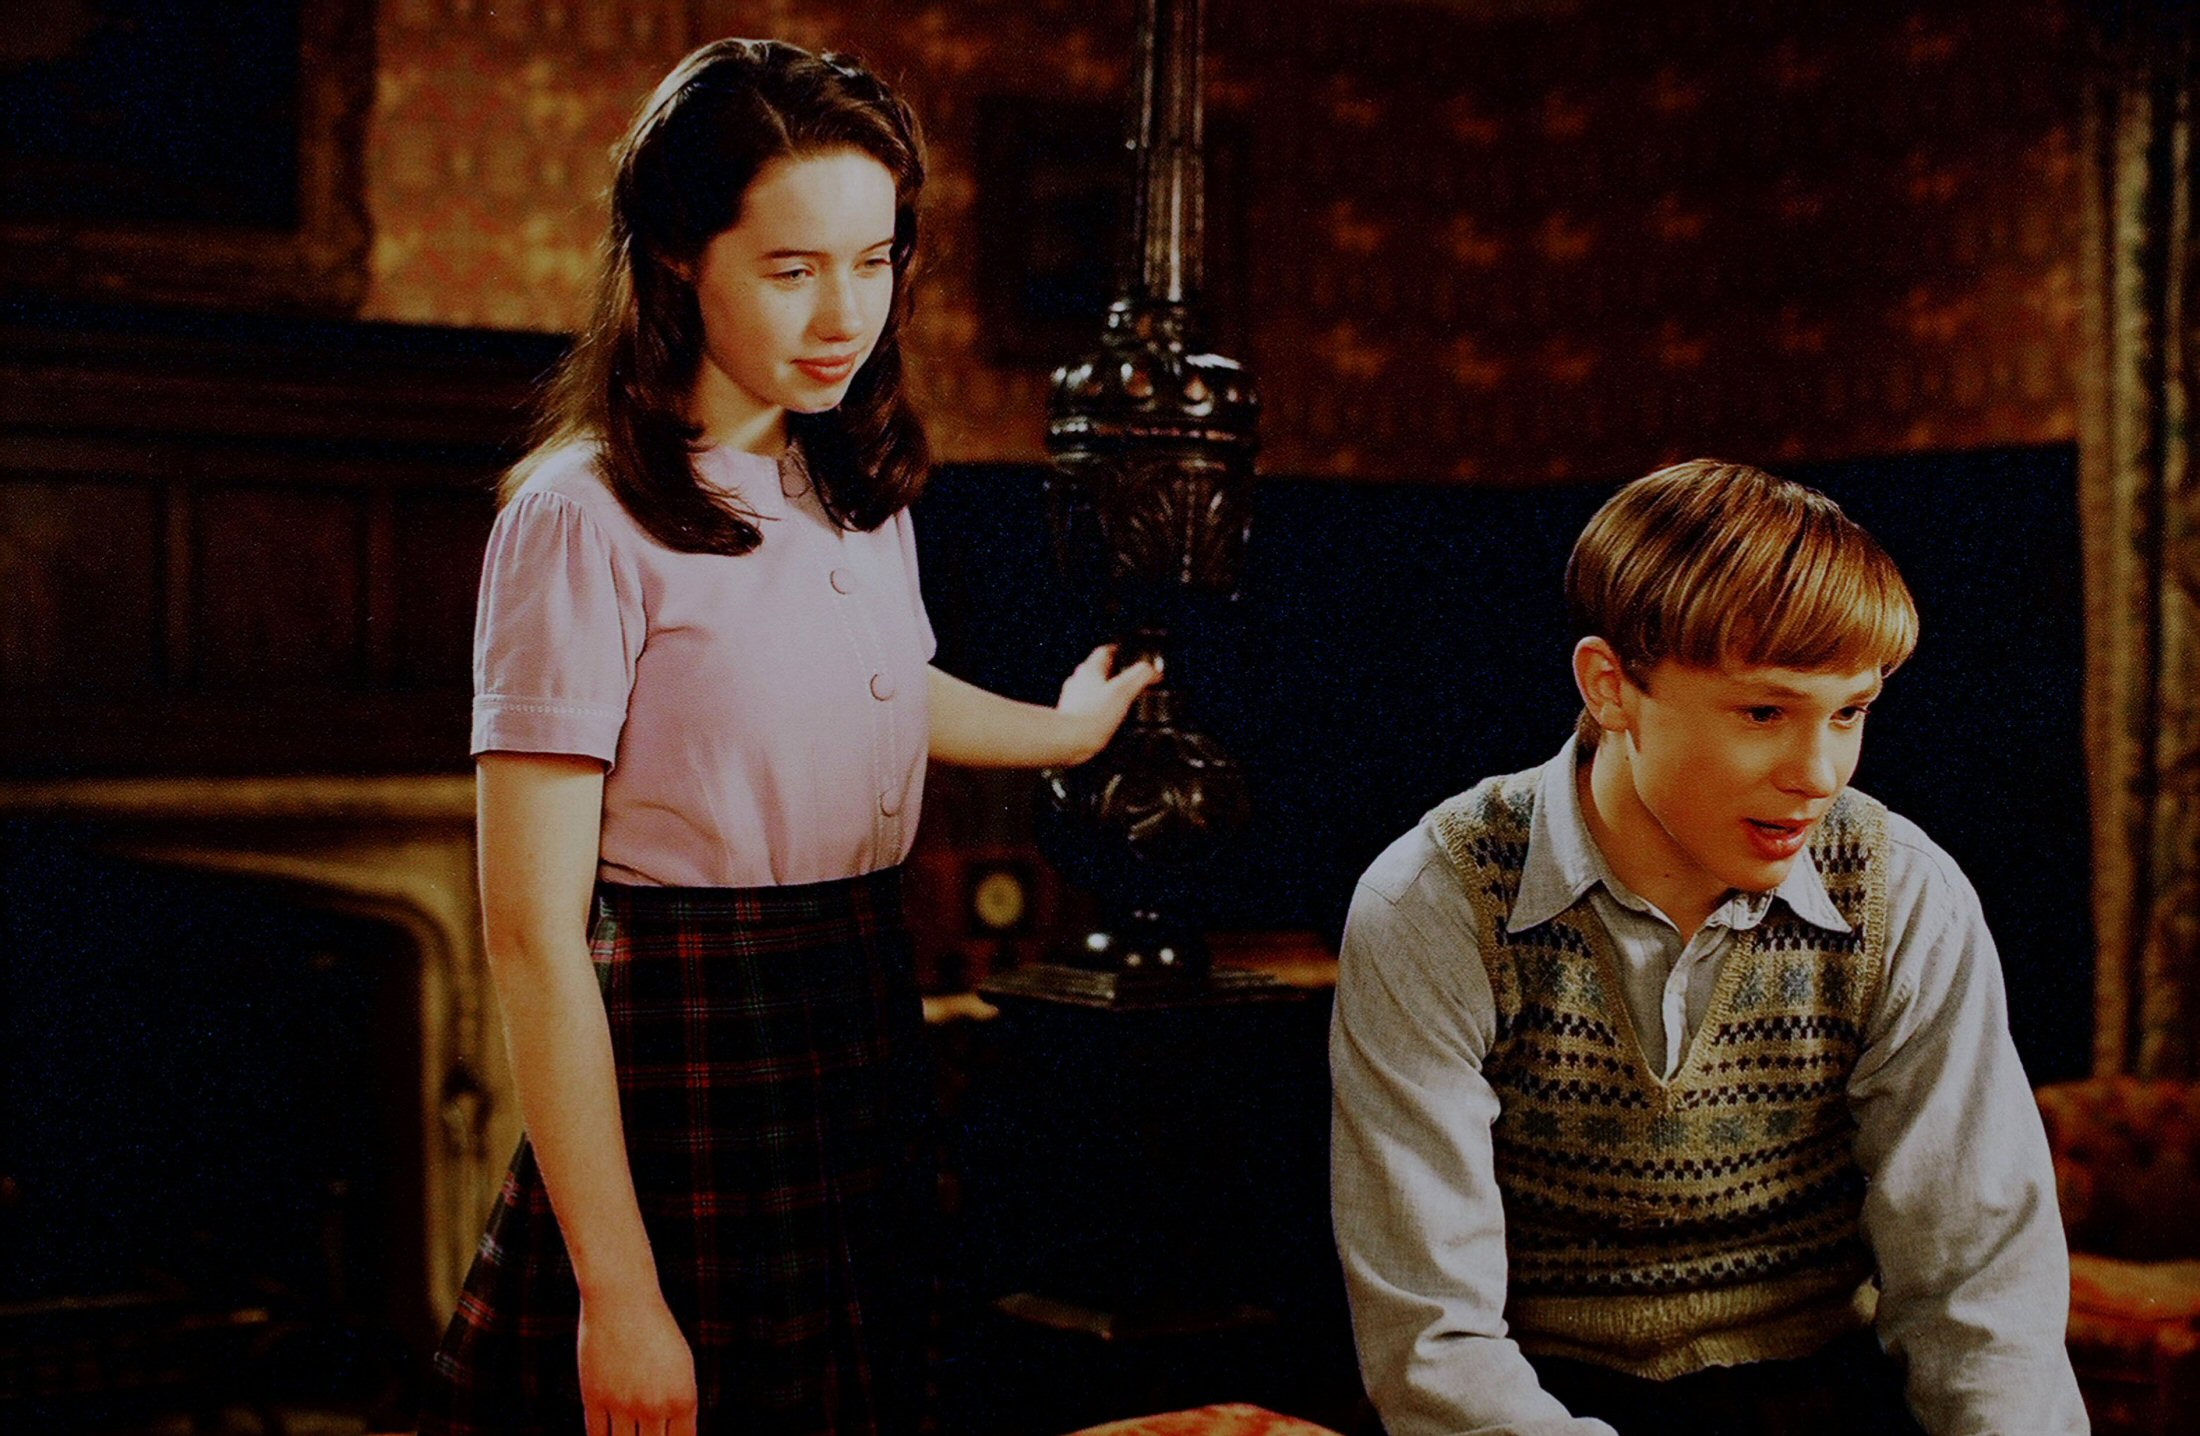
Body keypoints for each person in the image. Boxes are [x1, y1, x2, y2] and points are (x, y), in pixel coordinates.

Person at [415, 39, 1158, 1436]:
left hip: (858, 1009)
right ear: (677, 254)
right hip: (690, 1039)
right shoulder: (579, 517)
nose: (844, 314)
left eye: (874, 261)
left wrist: (1067, 733)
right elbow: (527, 935)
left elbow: (884, 690)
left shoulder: (853, 487)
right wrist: (618, 1295)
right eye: (791, 267)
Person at [1329, 461, 2087, 1436]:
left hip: (1824, 1396)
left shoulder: (1904, 894)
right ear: (1611, 687)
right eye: (1763, 712)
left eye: (1848, 712)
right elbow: (1435, 1343)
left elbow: (1978, 1293)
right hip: (1539, 1401)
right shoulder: (1433, 902)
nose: (1818, 774)